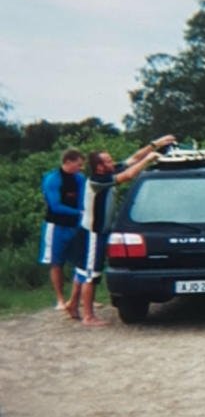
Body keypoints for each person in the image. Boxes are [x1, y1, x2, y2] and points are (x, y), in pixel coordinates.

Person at [74, 135, 176, 326]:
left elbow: (133, 159)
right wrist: (150, 159)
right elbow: (128, 175)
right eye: (108, 161)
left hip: (98, 231)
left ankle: (73, 305)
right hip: (93, 233)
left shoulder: (107, 172)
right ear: (99, 167)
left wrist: (155, 144)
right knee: (91, 273)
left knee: (82, 270)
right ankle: (88, 316)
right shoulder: (98, 180)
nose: (113, 162)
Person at [39, 148, 85, 316]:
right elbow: (55, 206)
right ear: (68, 162)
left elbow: (82, 201)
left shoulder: (79, 179)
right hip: (56, 226)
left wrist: (82, 216)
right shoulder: (53, 179)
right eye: (78, 164)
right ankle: (60, 299)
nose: (81, 168)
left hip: (75, 226)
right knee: (56, 262)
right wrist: (79, 213)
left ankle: (78, 298)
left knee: (80, 261)